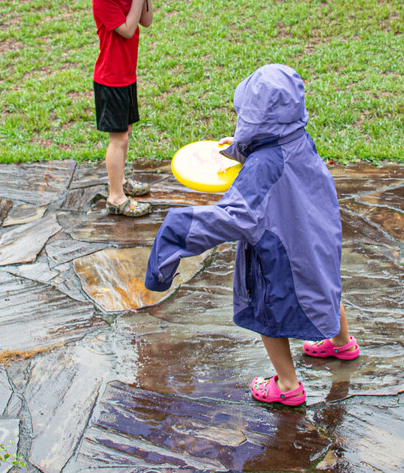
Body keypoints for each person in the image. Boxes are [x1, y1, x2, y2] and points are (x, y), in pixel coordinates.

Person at [144, 64, 359, 406]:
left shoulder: (262, 166)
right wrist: (242, 149)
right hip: (316, 233)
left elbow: (235, 216)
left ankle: (287, 386)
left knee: (266, 311)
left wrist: (177, 230)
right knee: (326, 285)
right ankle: (341, 344)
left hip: (281, 250)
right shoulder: (297, 138)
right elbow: (274, 152)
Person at [86, 0, 154, 217]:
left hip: (126, 75)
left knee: (125, 133)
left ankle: (121, 181)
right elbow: (126, 29)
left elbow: (145, 22)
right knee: (119, 139)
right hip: (110, 79)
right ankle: (115, 197)